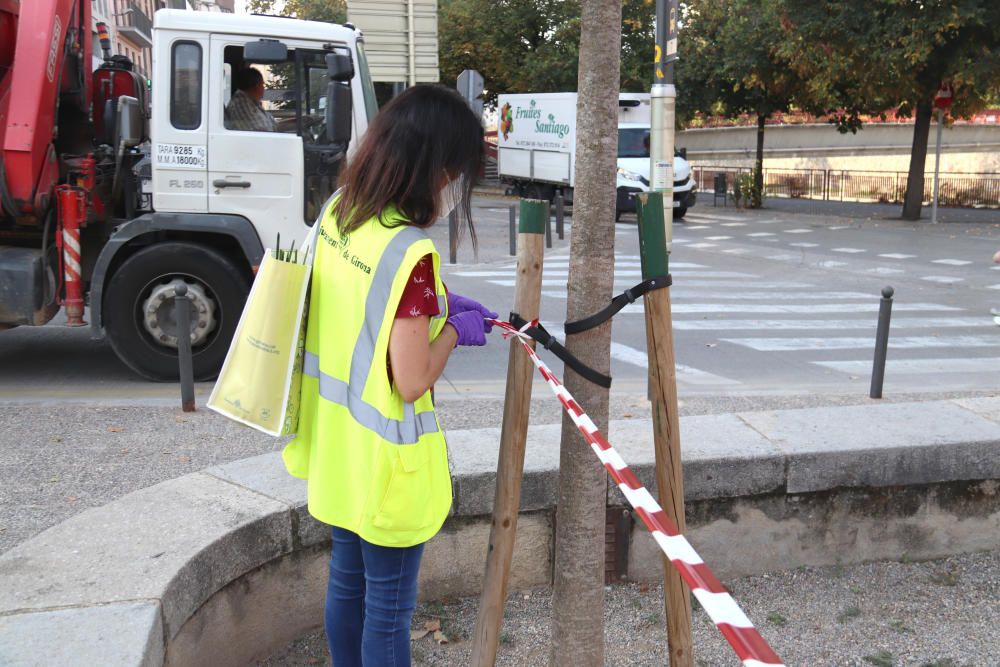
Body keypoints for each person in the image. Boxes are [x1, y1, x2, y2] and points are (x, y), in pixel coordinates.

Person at [282, 84, 495, 667]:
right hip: (386, 470)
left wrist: (436, 303)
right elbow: (411, 378)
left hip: (336, 452)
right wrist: (453, 330)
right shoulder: (410, 252)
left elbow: (358, 304)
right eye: (455, 171)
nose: (453, 185)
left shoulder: (339, 211)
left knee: (346, 589)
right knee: (388, 611)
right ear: (434, 167)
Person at [224, 66, 276, 132]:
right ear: (257, 86)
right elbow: (257, 132)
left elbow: (274, 125)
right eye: (262, 84)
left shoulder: (253, 103)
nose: (263, 88)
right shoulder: (241, 104)